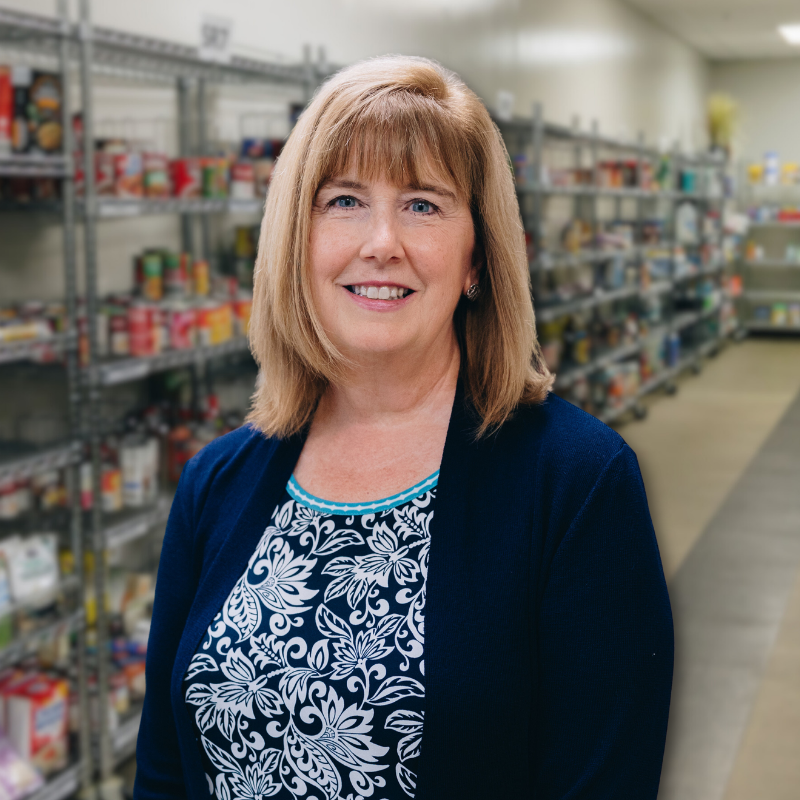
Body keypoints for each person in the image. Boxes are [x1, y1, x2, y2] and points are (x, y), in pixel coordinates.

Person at [134, 56, 673, 800]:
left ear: (477, 258)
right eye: (344, 200)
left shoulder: (578, 483)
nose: (380, 240)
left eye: (423, 204)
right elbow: (164, 771)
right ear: (298, 241)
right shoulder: (216, 483)